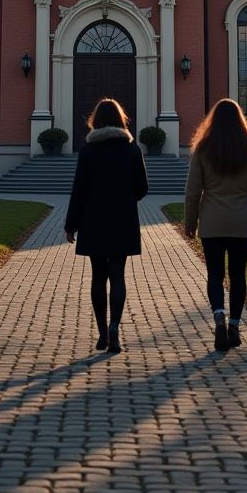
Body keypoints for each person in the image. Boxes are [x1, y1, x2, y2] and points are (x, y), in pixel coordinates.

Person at [184, 98, 247, 354]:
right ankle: (234, 325)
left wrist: (190, 223)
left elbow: (192, 191)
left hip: (212, 222)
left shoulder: (202, 149)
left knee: (215, 275)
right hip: (241, 222)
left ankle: (219, 316)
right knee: (238, 275)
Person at [65, 98, 148, 355]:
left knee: (98, 277)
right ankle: (114, 329)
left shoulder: (87, 151)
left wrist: (71, 225)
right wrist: (125, 197)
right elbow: (143, 189)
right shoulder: (132, 150)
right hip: (123, 220)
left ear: (95, 121)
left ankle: (102, 332)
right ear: (121, 120)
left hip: (93, 221)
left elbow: (78, 190)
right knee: (118, 275)